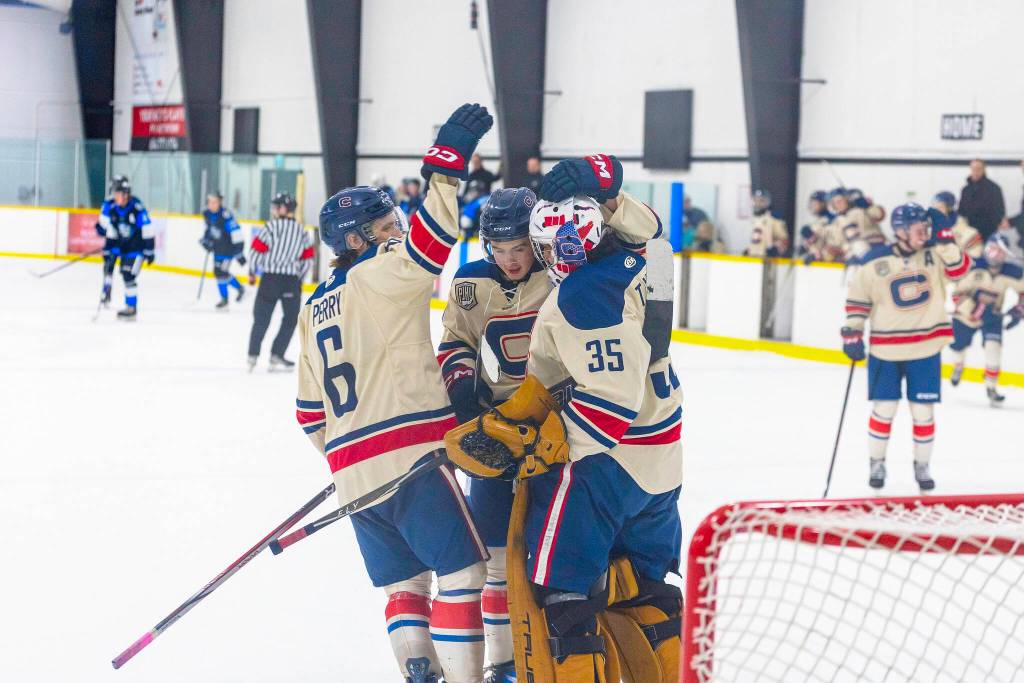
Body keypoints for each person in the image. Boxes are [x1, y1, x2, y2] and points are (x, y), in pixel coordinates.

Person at [445, 157, 683, 682]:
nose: (539, 257)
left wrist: (537, 444)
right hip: (661, 457)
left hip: (603, 465)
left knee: (562, 592)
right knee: (646, 588)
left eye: (544, 247)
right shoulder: (644, 259)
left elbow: (608, 405)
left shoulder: (583, 294)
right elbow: (653, 232)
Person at [296, 103, 493, 683]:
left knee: (405, 584)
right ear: (357, 239)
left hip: (352, 478)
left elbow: (309, 416)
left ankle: (420, 673)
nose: (397, 232)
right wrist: (446, 168)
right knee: (463, 575)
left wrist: (351, 455)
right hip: (411, 461)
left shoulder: (312, 310)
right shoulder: (379, 271)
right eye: (386, 227)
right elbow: (434, 243)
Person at [841, 203, 970, 491]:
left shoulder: (935, 255)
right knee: (884, 409)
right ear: (899, 231)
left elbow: (961, 271)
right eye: (918, 229)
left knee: (923, 411)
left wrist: (947, 241)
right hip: (885, 351)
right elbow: (858, 301)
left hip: (925, 351)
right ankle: (876, 462)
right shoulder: (875, 262)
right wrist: (852, 332)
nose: (924, 233)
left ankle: (922, 465)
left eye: (926, 228)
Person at [948, 234, 1024, 406]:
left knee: (993, 349)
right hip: (966, 317)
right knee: (958, 346)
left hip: (992, 317)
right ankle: (958, 366)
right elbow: (956, 293)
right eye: (991, 249)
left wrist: (1020, 308)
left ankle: (991, 387)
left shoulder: (1011, 272)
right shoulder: (974, 267)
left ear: (1005, 254)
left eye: (999, 251)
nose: (994, 254)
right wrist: (972, 309)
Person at [247, 192, 313, 371]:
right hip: (291, 281)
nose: (274, 210)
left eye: (276, 206)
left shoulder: (270, 227)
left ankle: (253, 356)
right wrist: (298, 279)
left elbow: (255, 252)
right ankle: (277, 354)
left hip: (269, 279)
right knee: (290, 319)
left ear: (284, 208)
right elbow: (307, 261)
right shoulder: (302, 232)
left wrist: (253, 272)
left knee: (261, 318)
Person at [94, 175, 153, 319]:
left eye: (118, 193)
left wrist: (149, 250)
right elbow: (105, 226)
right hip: (119, 246)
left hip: (135, 249)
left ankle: (131, 308)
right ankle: (107, 291)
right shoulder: (110, 205)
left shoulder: (136, 207)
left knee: (128, 274)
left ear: (126, 193)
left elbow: (147, 228)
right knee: (109, 265)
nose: (115, 196)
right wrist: (105, 233)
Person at [200, 191, 246, 309]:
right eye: (209, 202)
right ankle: (239, 288)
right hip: (217, 249)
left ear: (219, 202)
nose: (211, 205)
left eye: (214, 202)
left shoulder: (226, 215)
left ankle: (225, 298)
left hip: (228, 250)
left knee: (221, 273)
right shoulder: (207, 214)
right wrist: (206, 241)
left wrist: (238, 252)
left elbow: (236, 233)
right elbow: (209, 230)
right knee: (218, 272)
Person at [826, 187, 885, 262]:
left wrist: (868, 205)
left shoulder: (861, 211)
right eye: (835, 203)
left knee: (858, 245)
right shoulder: (836, 222)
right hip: (853, 258)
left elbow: (879, 214)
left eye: (840, 200)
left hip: (876, 249)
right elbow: (835, 244)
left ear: (847, 200)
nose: (838, 204)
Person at [959, 159, 1005, 241]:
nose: (976, 171)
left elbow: (1000, 211)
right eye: (973, 169)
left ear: (984, 170)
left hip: (988, 233)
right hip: (969, 234)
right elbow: (961, 211)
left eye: (978, 168)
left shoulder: (994, 188)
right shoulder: (966, 190)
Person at [932, 191, 983, 260]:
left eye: (940, 208)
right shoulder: (930, 232)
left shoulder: (970, 233)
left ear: (949, 208)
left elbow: (974, 261)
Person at [744, 189, 789, 257]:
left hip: (768, 260)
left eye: (761, 201)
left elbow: (784, 240)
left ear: (767, 202)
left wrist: (775, 249)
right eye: (755, 200)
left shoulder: (773, 219)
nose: (757, 203)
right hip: (753, 258)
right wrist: (748, 250)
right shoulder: (753, 219)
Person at [797, 190, 837, 262]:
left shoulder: (831, 220)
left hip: (828, 260)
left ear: (823, 204)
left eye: (815, 203)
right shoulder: (818, 221)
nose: (812, 206)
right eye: (811, 203)